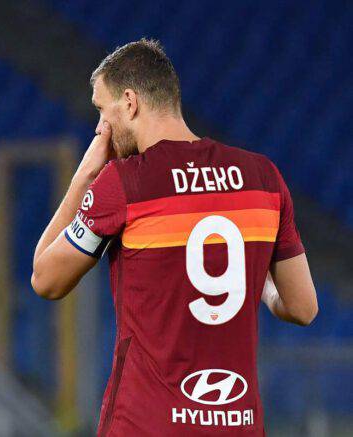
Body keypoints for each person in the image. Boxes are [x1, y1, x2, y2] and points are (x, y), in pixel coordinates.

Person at [31, 39, 318, 436]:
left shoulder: (126, 183)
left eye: (101, 109)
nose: (99, 127)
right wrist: (263, 286)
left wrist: (84, 177)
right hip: (237, 425)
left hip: (147, 424)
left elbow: (46, 280)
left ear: (129, 102)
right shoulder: (263, 178)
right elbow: (303, 308)